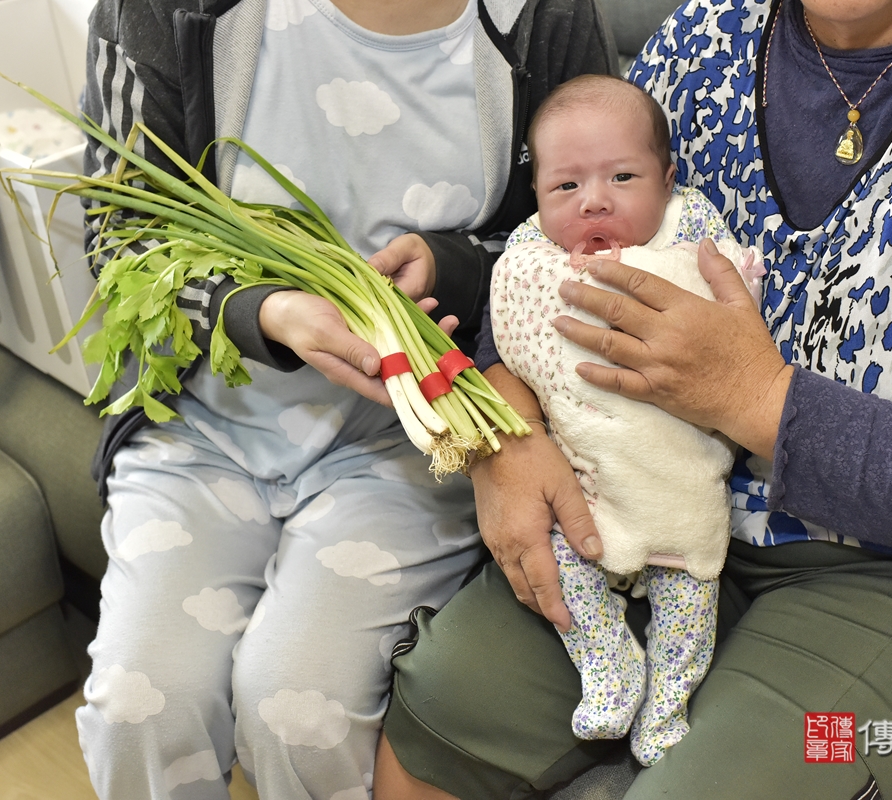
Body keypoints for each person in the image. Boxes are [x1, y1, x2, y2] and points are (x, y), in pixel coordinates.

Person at [372, 0, 892, 797]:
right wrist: (505, 430)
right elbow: (553, 253)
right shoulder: (706, 35)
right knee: (439, 707)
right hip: (650, 501)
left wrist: (754, 397)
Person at [71, 1, 615, 798]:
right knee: (139, 708)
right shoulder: (168, 10)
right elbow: (119, 229)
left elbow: (584, 233)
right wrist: (263, 312)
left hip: (410, 442)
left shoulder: (541, 16)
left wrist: (452, 264)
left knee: (298, 710)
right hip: (199, 430)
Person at [488, 74, 764, 766]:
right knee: (560, 560)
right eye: (565, 188)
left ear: (667, 178)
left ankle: (667, 704)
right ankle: (609, 663)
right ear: (536, 196)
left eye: (621, 176)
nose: (594, 201)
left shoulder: (691, 225)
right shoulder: (533, 249)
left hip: (677, 468)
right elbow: (514, 310)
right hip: (583, 471)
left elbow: (730, 294)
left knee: (688, 591)